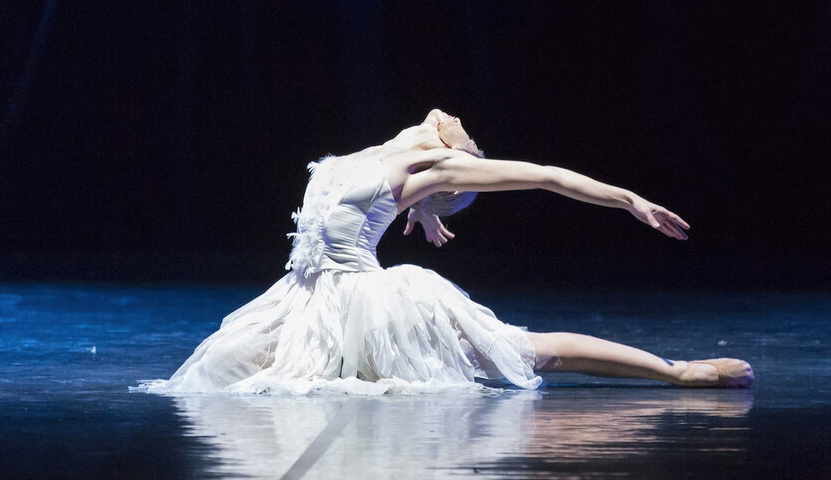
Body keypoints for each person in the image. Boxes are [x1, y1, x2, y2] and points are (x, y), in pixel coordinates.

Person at [143, 109, 753, 395]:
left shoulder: (434, 163)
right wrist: (423, 210)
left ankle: (674, 371)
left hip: (367, 303)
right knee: (231, 377)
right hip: (304, 304)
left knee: (524, 350)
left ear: (459, 168)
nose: (460, 120)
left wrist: (627, 200)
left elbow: (545, 175)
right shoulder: (379, 153)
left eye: (471, 139)